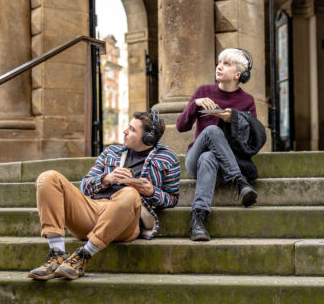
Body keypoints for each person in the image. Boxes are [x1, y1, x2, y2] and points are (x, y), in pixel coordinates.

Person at [28, 110, 180, 280]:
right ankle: (57, 253)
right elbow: (85, 186)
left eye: (131, 129)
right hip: (93, 210)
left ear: (148, 139)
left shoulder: (168, 159)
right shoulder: (111, 152)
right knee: (48, 178)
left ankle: (84, 255)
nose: (125, 131)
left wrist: (152, 192)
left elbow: (172, 198)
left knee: (130, 193)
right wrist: (107, 178)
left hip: (126, 221)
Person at [177, 48, 266, 242]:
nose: (219, 66)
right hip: (194, 159)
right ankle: (239, 181)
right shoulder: (203, 91)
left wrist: (233, 119)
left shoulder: (247, 100)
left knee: (208, 157)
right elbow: (181, 126)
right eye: (219, 61)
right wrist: (195, 104)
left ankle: (198, 221)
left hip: (220, 162)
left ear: (238, 74)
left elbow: (252, 140)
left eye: (226, 63)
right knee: (211, 131)